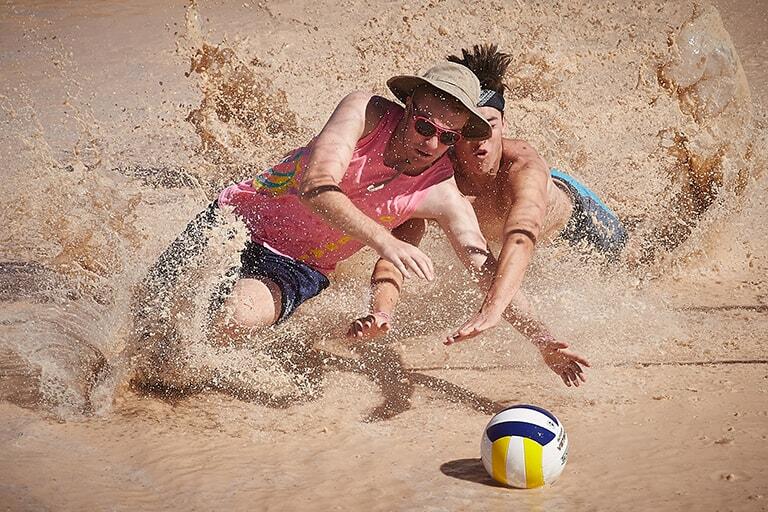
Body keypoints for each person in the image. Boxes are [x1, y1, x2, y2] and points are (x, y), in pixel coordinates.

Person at [143, 61, 496, 350]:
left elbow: (484, 264)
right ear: (407, 109)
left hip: (297, 267)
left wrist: (542, 340)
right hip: (236, 220)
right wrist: (385, 241)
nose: (432, 143)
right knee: (148, 310)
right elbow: (316, 187)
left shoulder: (440, 189)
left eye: (448, 137)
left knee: (230, 319)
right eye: (424, 127)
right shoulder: (364, 112)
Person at [348, 45, 628, 387]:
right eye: (469, 133)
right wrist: (382, 311)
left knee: (636, 262)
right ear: (451, 136)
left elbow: (521, 236)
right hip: (516, 240)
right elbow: (396, 251)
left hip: (578, 224)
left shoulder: (522, 164)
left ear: (504, 124)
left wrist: (493, 309)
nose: (480, 143)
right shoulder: (435, 179)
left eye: (490, 127)